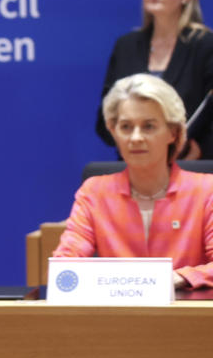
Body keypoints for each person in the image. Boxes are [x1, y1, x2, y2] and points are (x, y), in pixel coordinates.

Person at [57, 73, 213, 288]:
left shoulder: (206, 190)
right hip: (118, 318)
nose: (136, 137)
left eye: (149, 126)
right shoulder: (94, 193)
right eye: (126, 127)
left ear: (173, 133)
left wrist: (178, 278)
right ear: (113, 131)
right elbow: (65, 264)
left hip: (190, 317)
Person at [96, 0, 213, 158]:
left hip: (192, 168)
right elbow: (105, 118)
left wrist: (198, 151)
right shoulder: (126, 46)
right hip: (135, 169)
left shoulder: (204, 45)